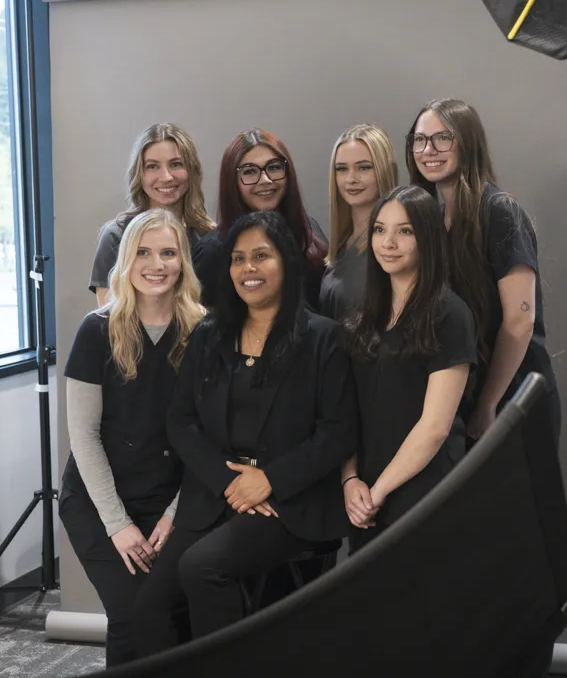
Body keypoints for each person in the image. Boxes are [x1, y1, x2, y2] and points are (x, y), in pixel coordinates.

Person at [132, 211, 357, 655]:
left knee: (202, 569)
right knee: (148, 610)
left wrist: (269, 480)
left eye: (261, 256)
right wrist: (229, 481)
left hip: (288, 502)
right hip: (219, 494)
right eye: (238, 258)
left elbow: (337, 432)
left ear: (286, 263)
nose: (248, 268)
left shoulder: (322, 338)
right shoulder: (209, 334)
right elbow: (181, 420)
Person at [59, 208, 206, 666]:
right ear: (125, 260)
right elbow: (83, 436)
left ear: (183, 261)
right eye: (143, 252)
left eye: (168, 253)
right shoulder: (97, 330)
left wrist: (175, 517)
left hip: (171, 499)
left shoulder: (204, 331)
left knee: (170, 612)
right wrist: (118, 525)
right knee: (131, 611)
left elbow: (211, 437)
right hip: (98, 500)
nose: (156, 264)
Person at [405, 98, 561, 445]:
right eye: (419, 139)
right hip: (466, 397)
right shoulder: (431, 220)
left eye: (442, 138)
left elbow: (520, 321)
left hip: (513, 398)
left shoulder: (499, 211)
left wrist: (488, 404)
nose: (428, 149)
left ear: (468, 143)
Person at [340, 186, 476, 552]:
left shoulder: (451, 315)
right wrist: (349, 479)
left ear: (427, 239)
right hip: (364, 492)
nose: (388, 242)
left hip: (422, 491)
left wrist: (379, 491)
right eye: (380, 229)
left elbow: (435, 428)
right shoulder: (364, 314)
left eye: (405, 231)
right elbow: (347, 410)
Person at [193, 129, 327, 309]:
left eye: (274, 167)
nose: (265, 180)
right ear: (232, 181)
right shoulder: (213, 250)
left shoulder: (309, 231)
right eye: (249, 172)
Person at [89, 123, 215, 305]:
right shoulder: (117, 235)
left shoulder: (210, 239)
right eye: (152, 166)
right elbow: (109, 321)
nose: (166, 177)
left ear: (192, 170)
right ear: (139, 174)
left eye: (176, 164)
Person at [319, 124, 399, 320]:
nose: (351, 179)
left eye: (364, 167)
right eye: (342, 169)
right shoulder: (342, 242)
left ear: (384, 170)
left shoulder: (394, 244)